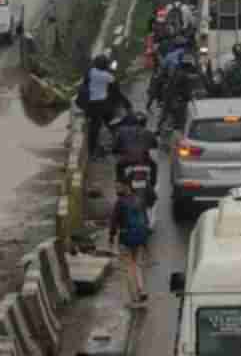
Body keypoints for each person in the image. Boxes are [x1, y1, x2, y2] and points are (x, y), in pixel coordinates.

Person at [107, 180, 150, 308]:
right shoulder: (139, 200)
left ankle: (134, 299)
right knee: (137, 265)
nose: (116, 190)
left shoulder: (120, 203)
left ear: (126, 187)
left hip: (126, 238)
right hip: (140, 237)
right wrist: (144, 240)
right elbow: (146, 220)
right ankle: (142, 290)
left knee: (129, 267)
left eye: (118, 187)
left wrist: (111, 236)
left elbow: (114, 222)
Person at [80, 54, 131, 158]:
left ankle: (92, 151)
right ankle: (121, 145)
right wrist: (127, 104)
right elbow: (117, 92)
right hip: (103, 105)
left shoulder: (90, 72)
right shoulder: (108, 77)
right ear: (106, 65)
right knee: (112, 123)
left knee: (94, 128)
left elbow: (84, 86)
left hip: (91, 105)